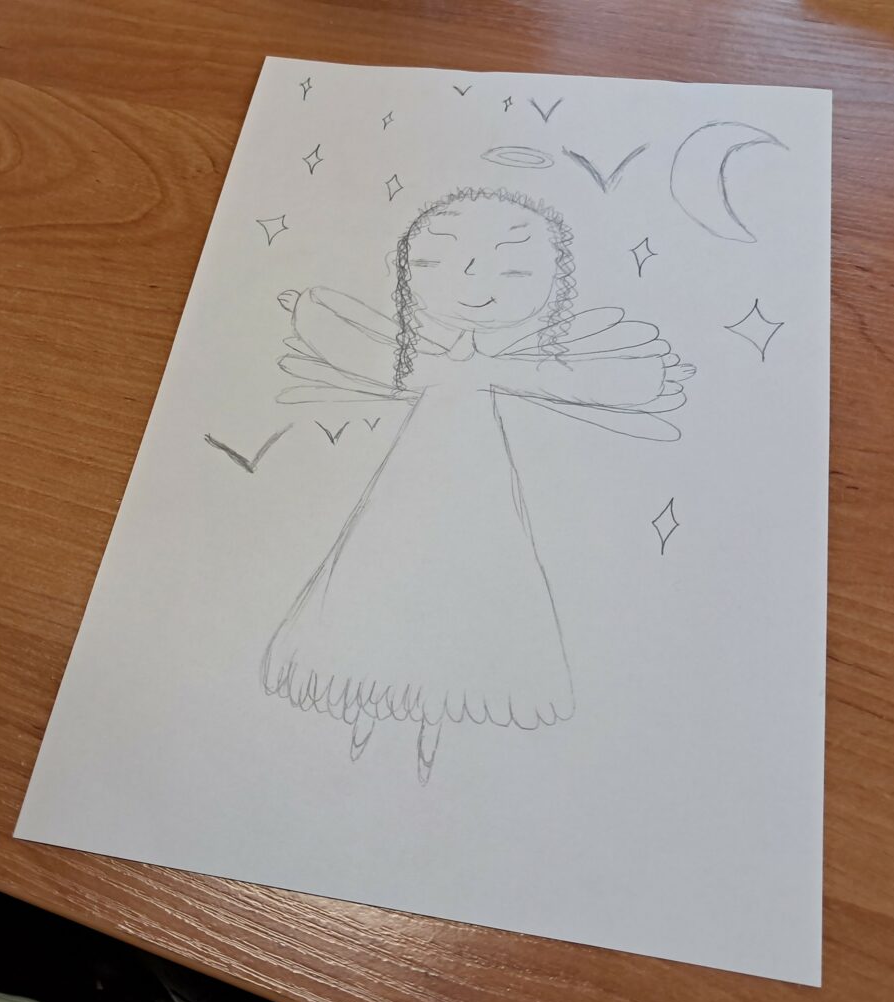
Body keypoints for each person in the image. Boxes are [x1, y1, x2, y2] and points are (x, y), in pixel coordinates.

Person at [261, 186, 694, 783]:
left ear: (553, 285)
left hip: (481, 489)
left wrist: (485, 368)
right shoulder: (427, 358)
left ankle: (432, 722)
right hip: (411, 484)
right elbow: (322, 318)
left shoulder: (492, 364)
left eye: (514, 269)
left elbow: (636, 378)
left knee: (472, 575)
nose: (472, 278)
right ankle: (368, 708)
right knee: (385, 560)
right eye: (436, 259)